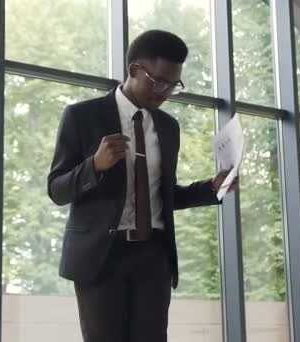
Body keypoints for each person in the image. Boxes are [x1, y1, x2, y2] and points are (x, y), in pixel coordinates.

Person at [47, 29, 238, 342]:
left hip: (153, 256)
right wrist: (94, 165)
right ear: (134, 70)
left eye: (173, 84)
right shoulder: (82, 116)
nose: (164, 91)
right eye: (158, 81)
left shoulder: (167, 126)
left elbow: (162, 196)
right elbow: (57, 189)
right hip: (101, 257)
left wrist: (210, 188)